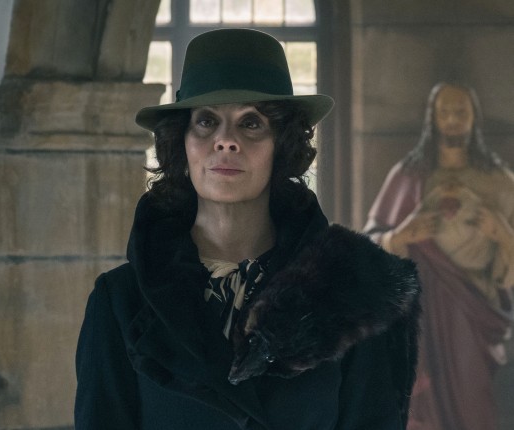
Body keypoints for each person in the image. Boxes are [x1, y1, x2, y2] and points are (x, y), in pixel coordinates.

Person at [75, 28, 421, 430]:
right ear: (181, 142)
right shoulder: (121, 302)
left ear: (282, 144)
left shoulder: (353, 292)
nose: (226, 141)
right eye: (206, 121)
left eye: (251, 123)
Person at [364, 82, 514, 430]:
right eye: (444, 111)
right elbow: (367, 246)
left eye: (461, 111)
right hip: (421, 312)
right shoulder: (407, 177)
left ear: (474, 117)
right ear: (431, 118)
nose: (452, 119)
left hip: (474, 310)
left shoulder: (499, 182)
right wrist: (401, 236)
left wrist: (500, 231)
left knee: (473, 403)